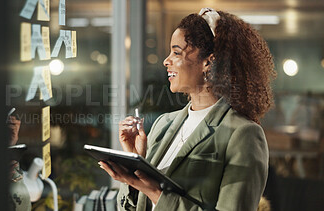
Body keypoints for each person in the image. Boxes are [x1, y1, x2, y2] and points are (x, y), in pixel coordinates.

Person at [99, 8, 276, 211]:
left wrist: (156, 193)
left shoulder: (243, 133)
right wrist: (134, 169)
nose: (166, 61)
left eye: (176, 52)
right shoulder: (164, 123)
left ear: (208, 62)